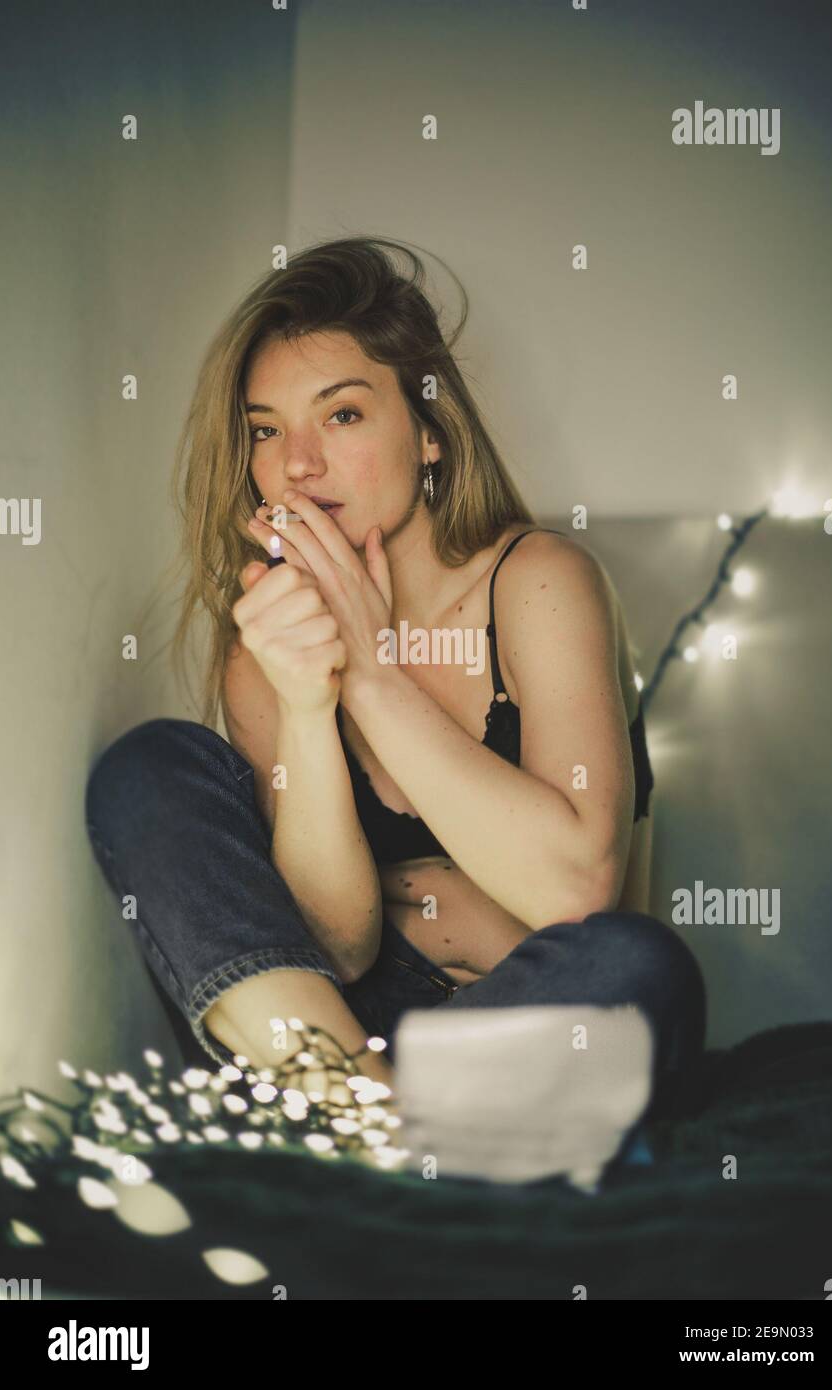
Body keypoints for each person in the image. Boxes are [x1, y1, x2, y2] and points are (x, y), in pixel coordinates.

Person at [85, 236, 706, 1187]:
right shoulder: (264, 648)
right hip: (334, 1039)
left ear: (430, 431)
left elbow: (574, 895)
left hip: (528, 1024)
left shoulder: (539, 583)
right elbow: (336, 944)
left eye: (340, 413)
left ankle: (366, 1129)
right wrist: (306, 705)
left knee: (636, 963)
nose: (296, 464)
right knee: (149, 766)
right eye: (263, 430)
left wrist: (374, 676)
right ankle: (376, 1120)